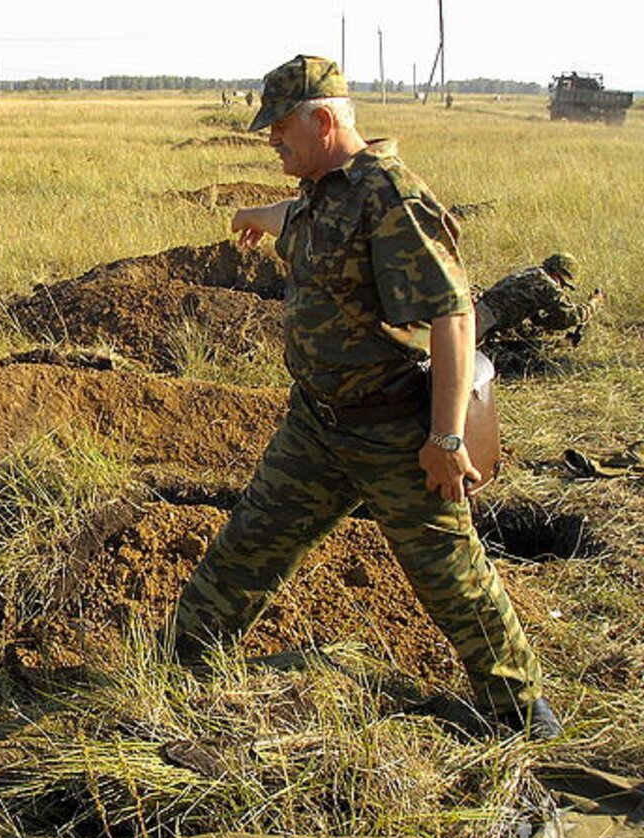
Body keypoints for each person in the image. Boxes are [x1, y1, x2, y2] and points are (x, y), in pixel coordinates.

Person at [172, 55, 560, 739]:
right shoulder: (326, 188)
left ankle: (522, 716)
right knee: (246, 546)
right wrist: (255, 214)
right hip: (316, 429)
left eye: (280, 128)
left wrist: (444, 441)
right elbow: (302, 220)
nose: (270, 140)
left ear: (323, 120)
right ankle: (175, 670)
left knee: (451, 580)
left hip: (395, 435)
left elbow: (453, 316)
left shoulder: (391, 195)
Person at [475, 252, 603, 350]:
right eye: (563, 284)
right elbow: (570, 316)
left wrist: (547, 324)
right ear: (559, 275)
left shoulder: (532, 272)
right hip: (483, 324)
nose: (562, 288)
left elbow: (535, 318)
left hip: (480, 313)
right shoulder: (546, 285)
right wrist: (594, 303)